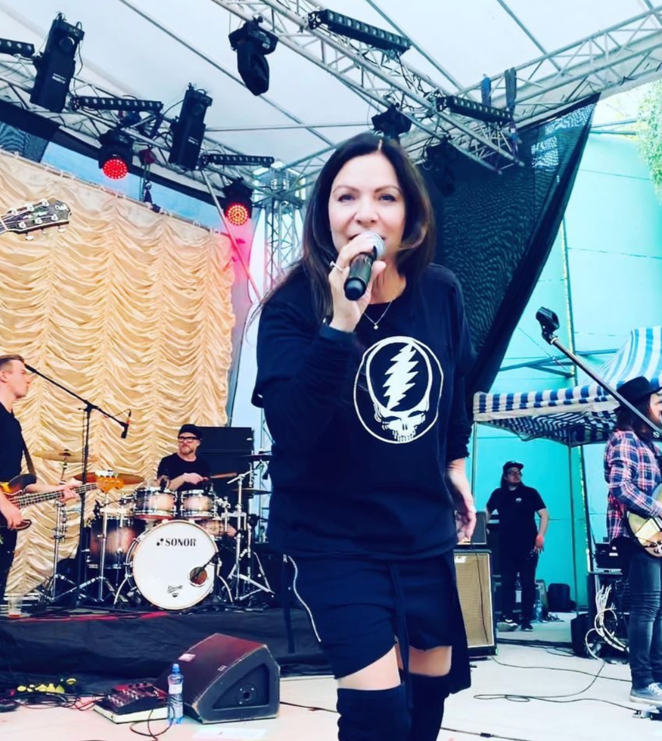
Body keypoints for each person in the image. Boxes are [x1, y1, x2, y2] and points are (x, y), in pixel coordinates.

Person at [252, 132, 476, 741]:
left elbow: (456, 383)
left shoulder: (441, 292)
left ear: (412, 218)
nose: (365, 213)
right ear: (325, 213)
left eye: (386, 197)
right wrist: (339, 324)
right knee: (378, 714)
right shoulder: (292, 306)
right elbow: (291, 427)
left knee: (427, 702)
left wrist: (456, 466)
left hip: (420, 528)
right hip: (335, 535)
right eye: (346, 196)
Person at [0, 354, 77, 723]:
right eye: (23, 373)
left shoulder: (13, 421)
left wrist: (57, 490)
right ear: (4, 376)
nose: (29, 378)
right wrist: (2, 503)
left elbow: (17, 483)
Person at [604, 375, 662, 705]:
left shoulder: (649, 445)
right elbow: (620, 487)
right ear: (640, 407)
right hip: (634, 534)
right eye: (657, 402)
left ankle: (660, 676)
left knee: (661, 607)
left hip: (654, 535)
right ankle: (641, 682)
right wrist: (659, 510)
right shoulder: (624, 440)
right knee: (646, 607)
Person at [486, 462, 549, 632]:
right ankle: (507, 616)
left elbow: (544, 515)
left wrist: (540, 535)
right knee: (508, 582)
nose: (516, 475)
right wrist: (482, 526)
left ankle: (526, 619)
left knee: (528, 582)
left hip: (528, 545)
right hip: (506, 546)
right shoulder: (498, 494)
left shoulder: (530, 493)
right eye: (512, 472)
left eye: (519, 472)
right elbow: (487, 510)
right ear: (505, 476)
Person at [156, 423, 211, 492]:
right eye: (181, 438)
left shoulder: (203, 463)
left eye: (189, 439)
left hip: (196, 498)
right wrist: (184, 478)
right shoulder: (167, 461)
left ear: (198, 442)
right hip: (172, 499)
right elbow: (162, 489)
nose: (184, 442)